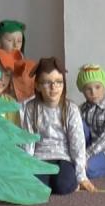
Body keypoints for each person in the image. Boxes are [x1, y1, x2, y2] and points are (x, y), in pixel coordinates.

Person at [21, 57, 94, 194]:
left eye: (59, 82)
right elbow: (28, 142)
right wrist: (26, 169)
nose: (54, 87)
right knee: (33, 186)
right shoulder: (31, 108)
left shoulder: (71, 109)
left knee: (63, 186)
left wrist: (81, 176)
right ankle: (47, 182)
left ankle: (58, 182)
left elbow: (77, 144)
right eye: (47, 82)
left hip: (62, 158)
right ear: (37, 85)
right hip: (40, 158)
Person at [76, 63, 105, 180]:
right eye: (88, 89)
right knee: (77, 123)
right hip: (85, 149)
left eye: (97, 87)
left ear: (104, 87)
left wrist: (86, 155)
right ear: (82, 91)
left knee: (85, 169)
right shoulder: (80, 109)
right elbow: (75, 134)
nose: (93, 93)